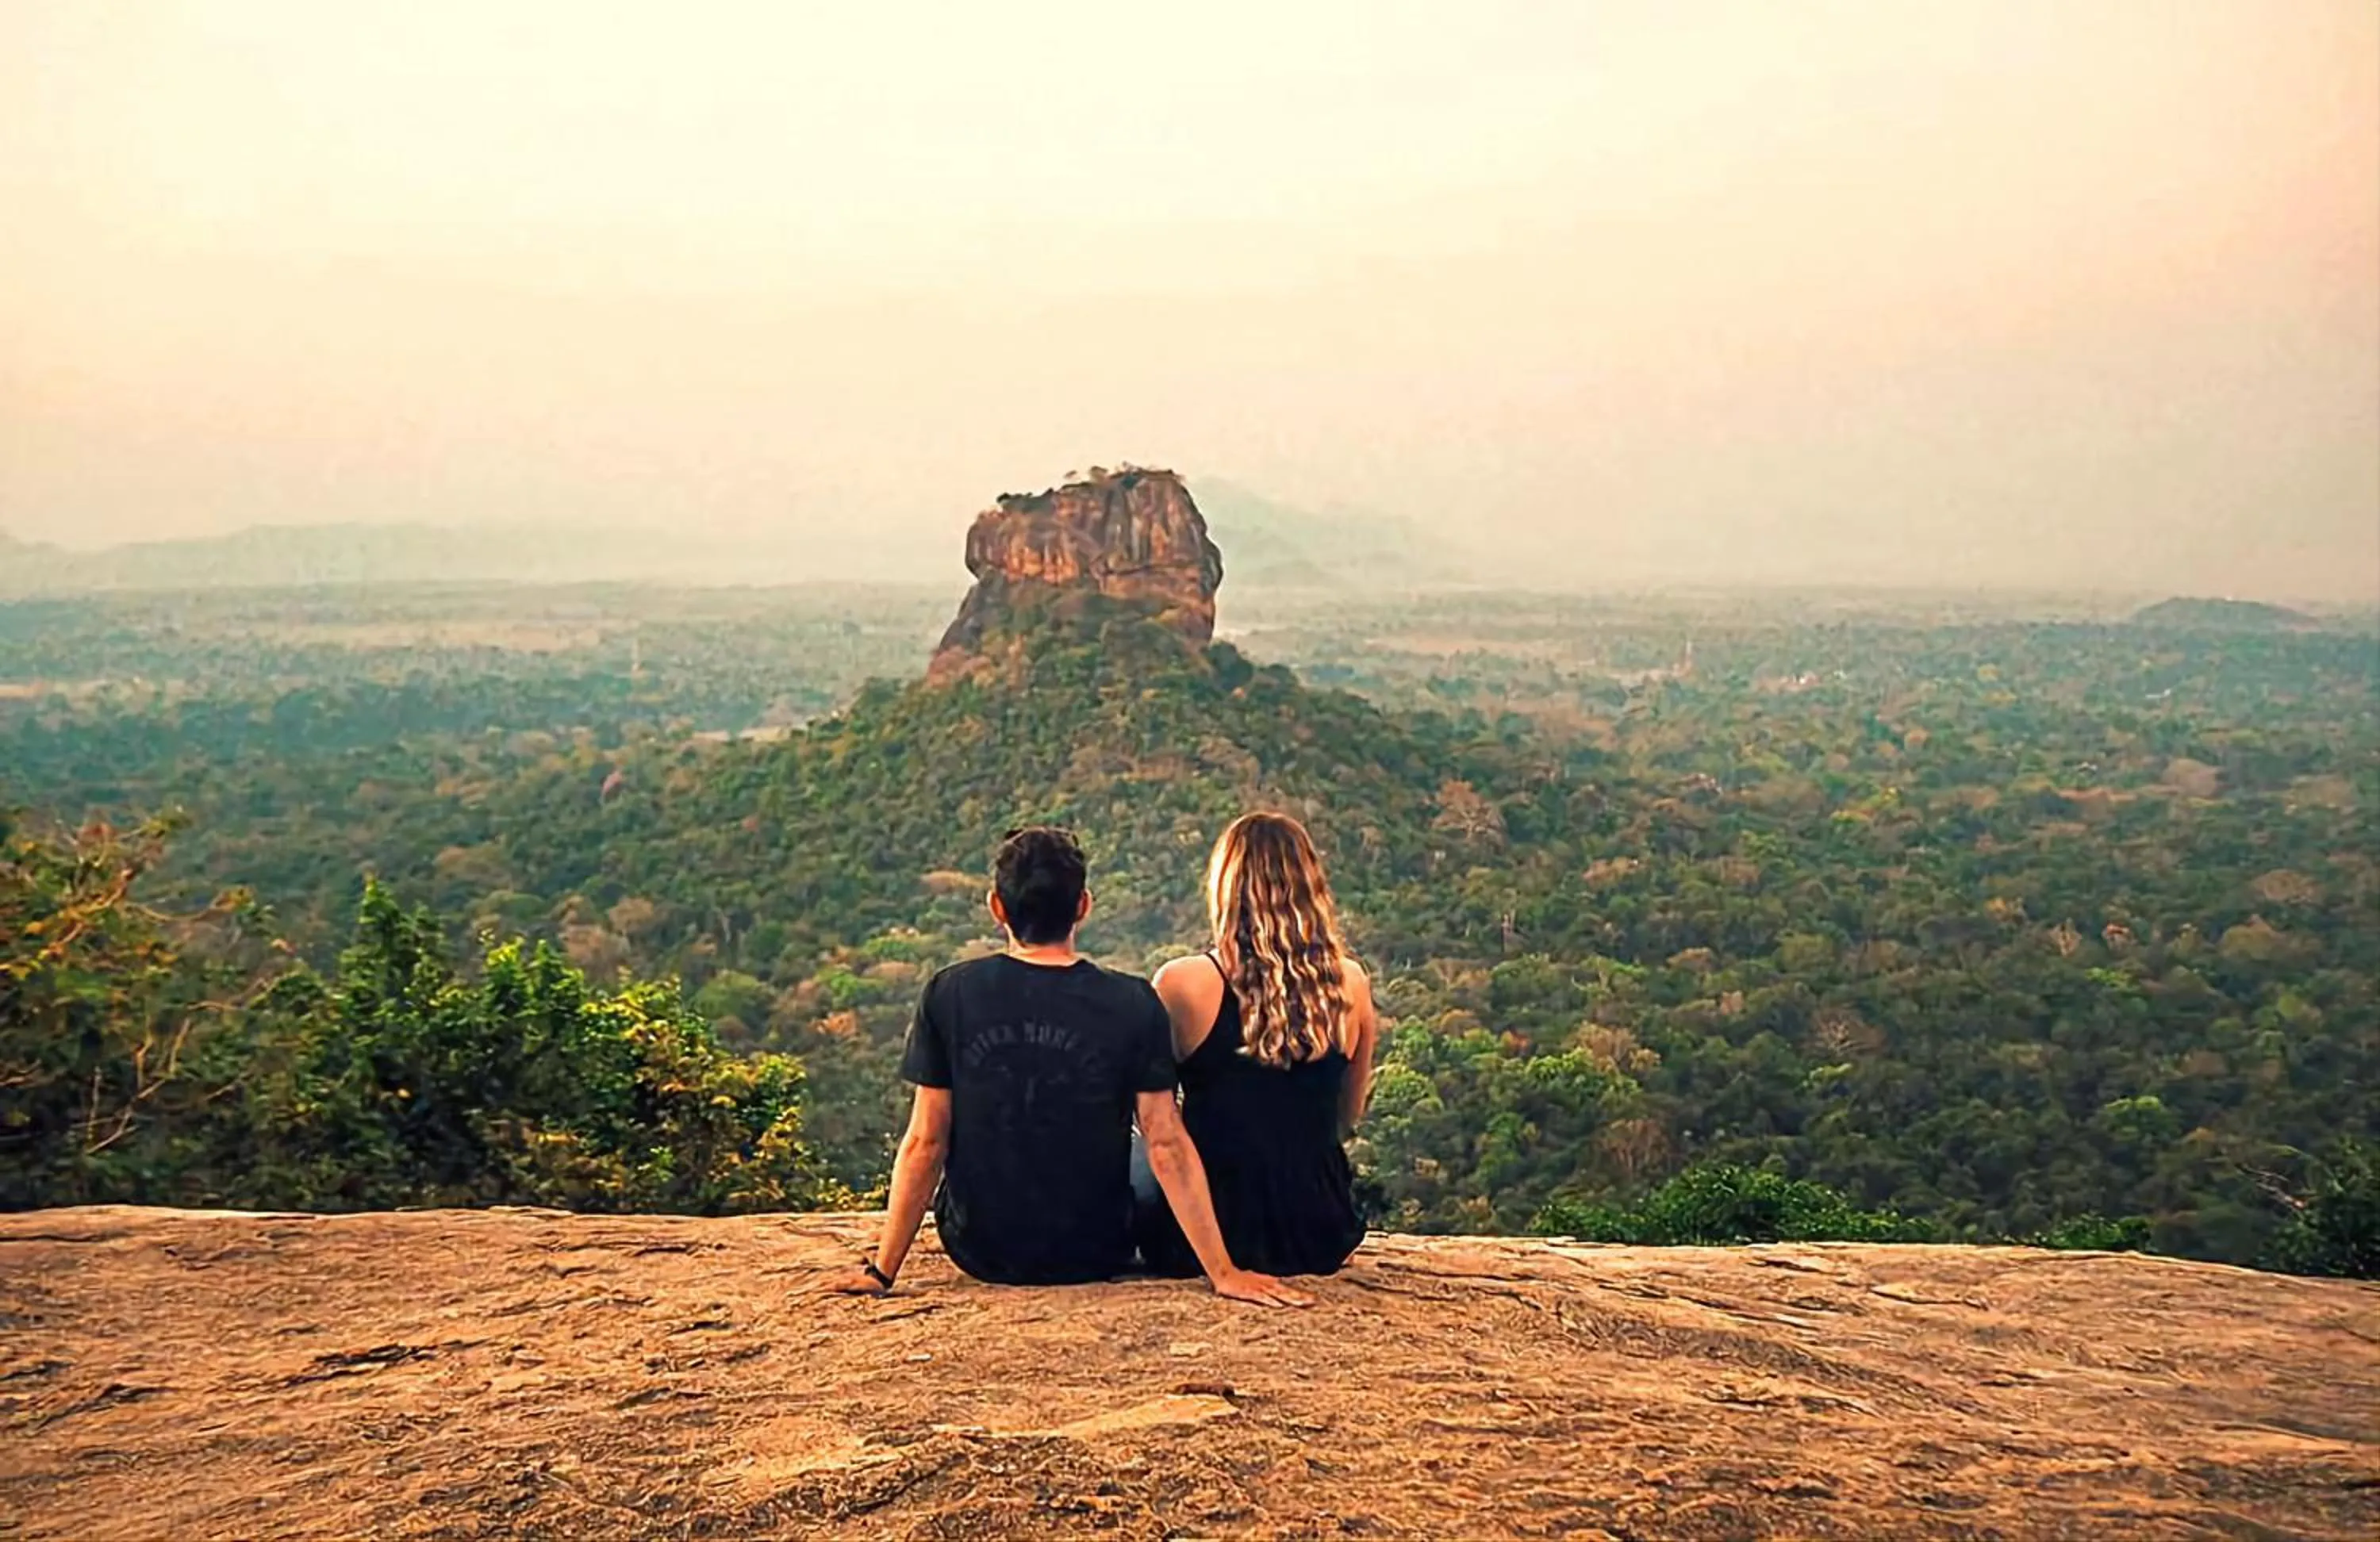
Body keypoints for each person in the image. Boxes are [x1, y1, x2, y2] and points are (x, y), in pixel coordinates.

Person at [823, 826, 1311, 1306]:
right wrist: (1223, 1273)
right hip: (1095, 1249)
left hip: (980, 1248)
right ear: (1084, 906)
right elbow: (1166, 1141)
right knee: (1145, 1149)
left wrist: (882, 1271)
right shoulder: (1132, 1001)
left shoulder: (950, 993)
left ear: (997, 907)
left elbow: (926, 1140)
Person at [1136, 811, 1377, 1278]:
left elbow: (1156, 1127)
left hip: (1209, 1240)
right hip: (1321, 1235)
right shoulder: (1352, 983)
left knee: (1135, 1147)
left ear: (1226, 888)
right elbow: (1347, 1115)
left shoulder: (1183, 983)